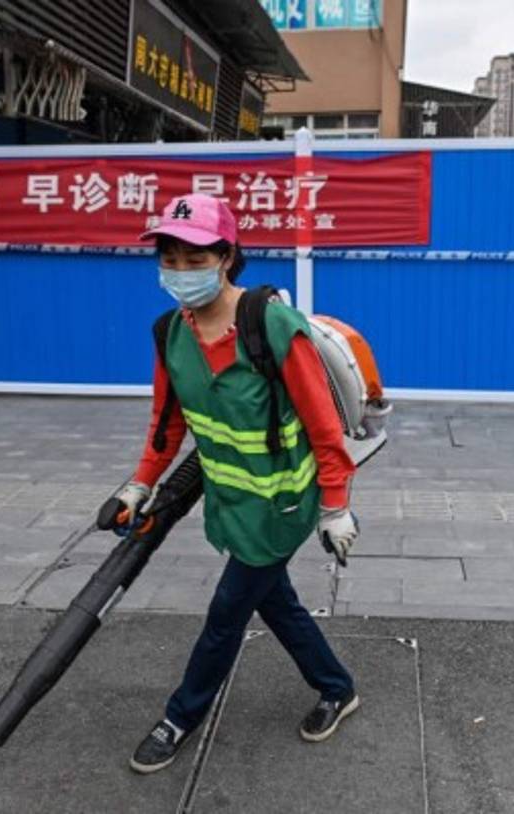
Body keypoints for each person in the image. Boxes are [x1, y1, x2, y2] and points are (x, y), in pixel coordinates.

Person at [105, 192, 361, 775]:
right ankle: (337, 687)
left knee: (226, 614)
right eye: (170, 257)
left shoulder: (269, 323)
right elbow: (166, 424)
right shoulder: (170, 331)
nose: (180, 271)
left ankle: (179, 717)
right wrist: (137, 486)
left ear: (227, 257)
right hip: (228, 505)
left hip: (283, 507)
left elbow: (324, 427)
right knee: (276, 603)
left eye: (196, 259)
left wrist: (336, 506)